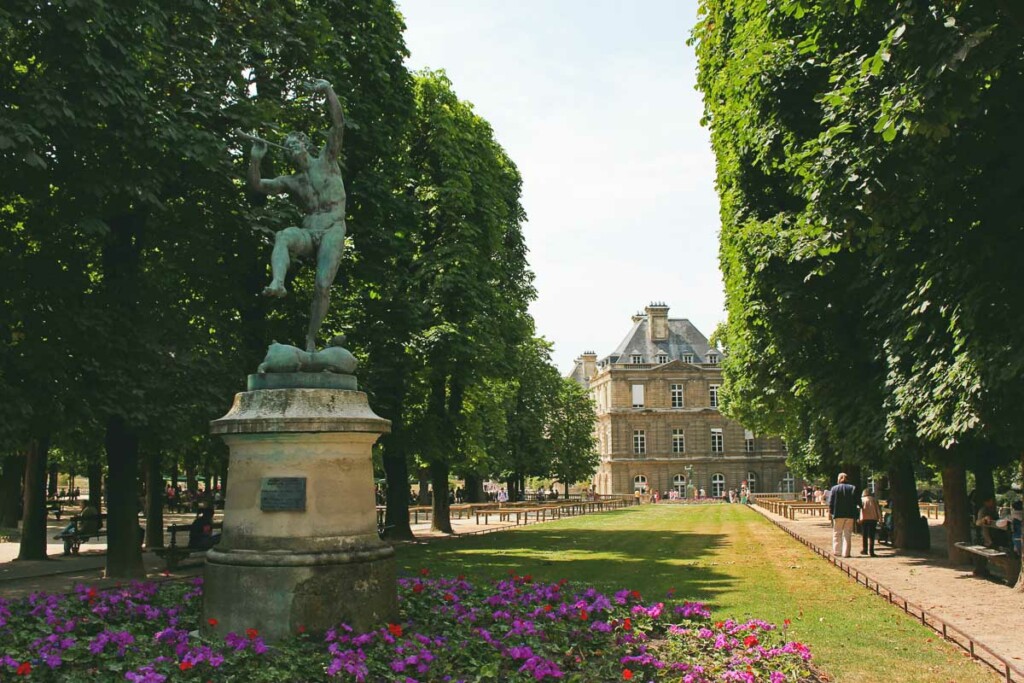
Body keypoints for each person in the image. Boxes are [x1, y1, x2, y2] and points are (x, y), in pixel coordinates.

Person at [247, 79, 348, 353]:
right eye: (288, 147)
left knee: (322, 285)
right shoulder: (291, 182)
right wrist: (255, 159)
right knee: (283, 236)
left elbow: (339, 125)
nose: (292, 150)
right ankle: (278, 282)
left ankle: (311, 338)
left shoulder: (327, 160)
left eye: (295, 144)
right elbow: (258, 186)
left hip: (333, 228)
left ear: (305, 145)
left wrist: (329, 90)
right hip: (309, 231)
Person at [828, 473, 858, 558]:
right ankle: (846, 553)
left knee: (837, 533)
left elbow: (831, 502)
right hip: (850, 514)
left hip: (838, 514)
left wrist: (831, 512)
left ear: (838, 479)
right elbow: (856, 501)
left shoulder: (834, 488)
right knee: (847, 534)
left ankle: (837, 551)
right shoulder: (852, 488)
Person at [859, 488, 881, 557]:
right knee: (872, 536)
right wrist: (880, 518)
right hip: (873, 519)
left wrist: (859, 518)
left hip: (864, 518)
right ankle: (871, 551)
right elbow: (878, 509)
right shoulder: (874, 500)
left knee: (864, 535)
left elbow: (860, 510)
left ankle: (865, 549)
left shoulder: (862, 500)